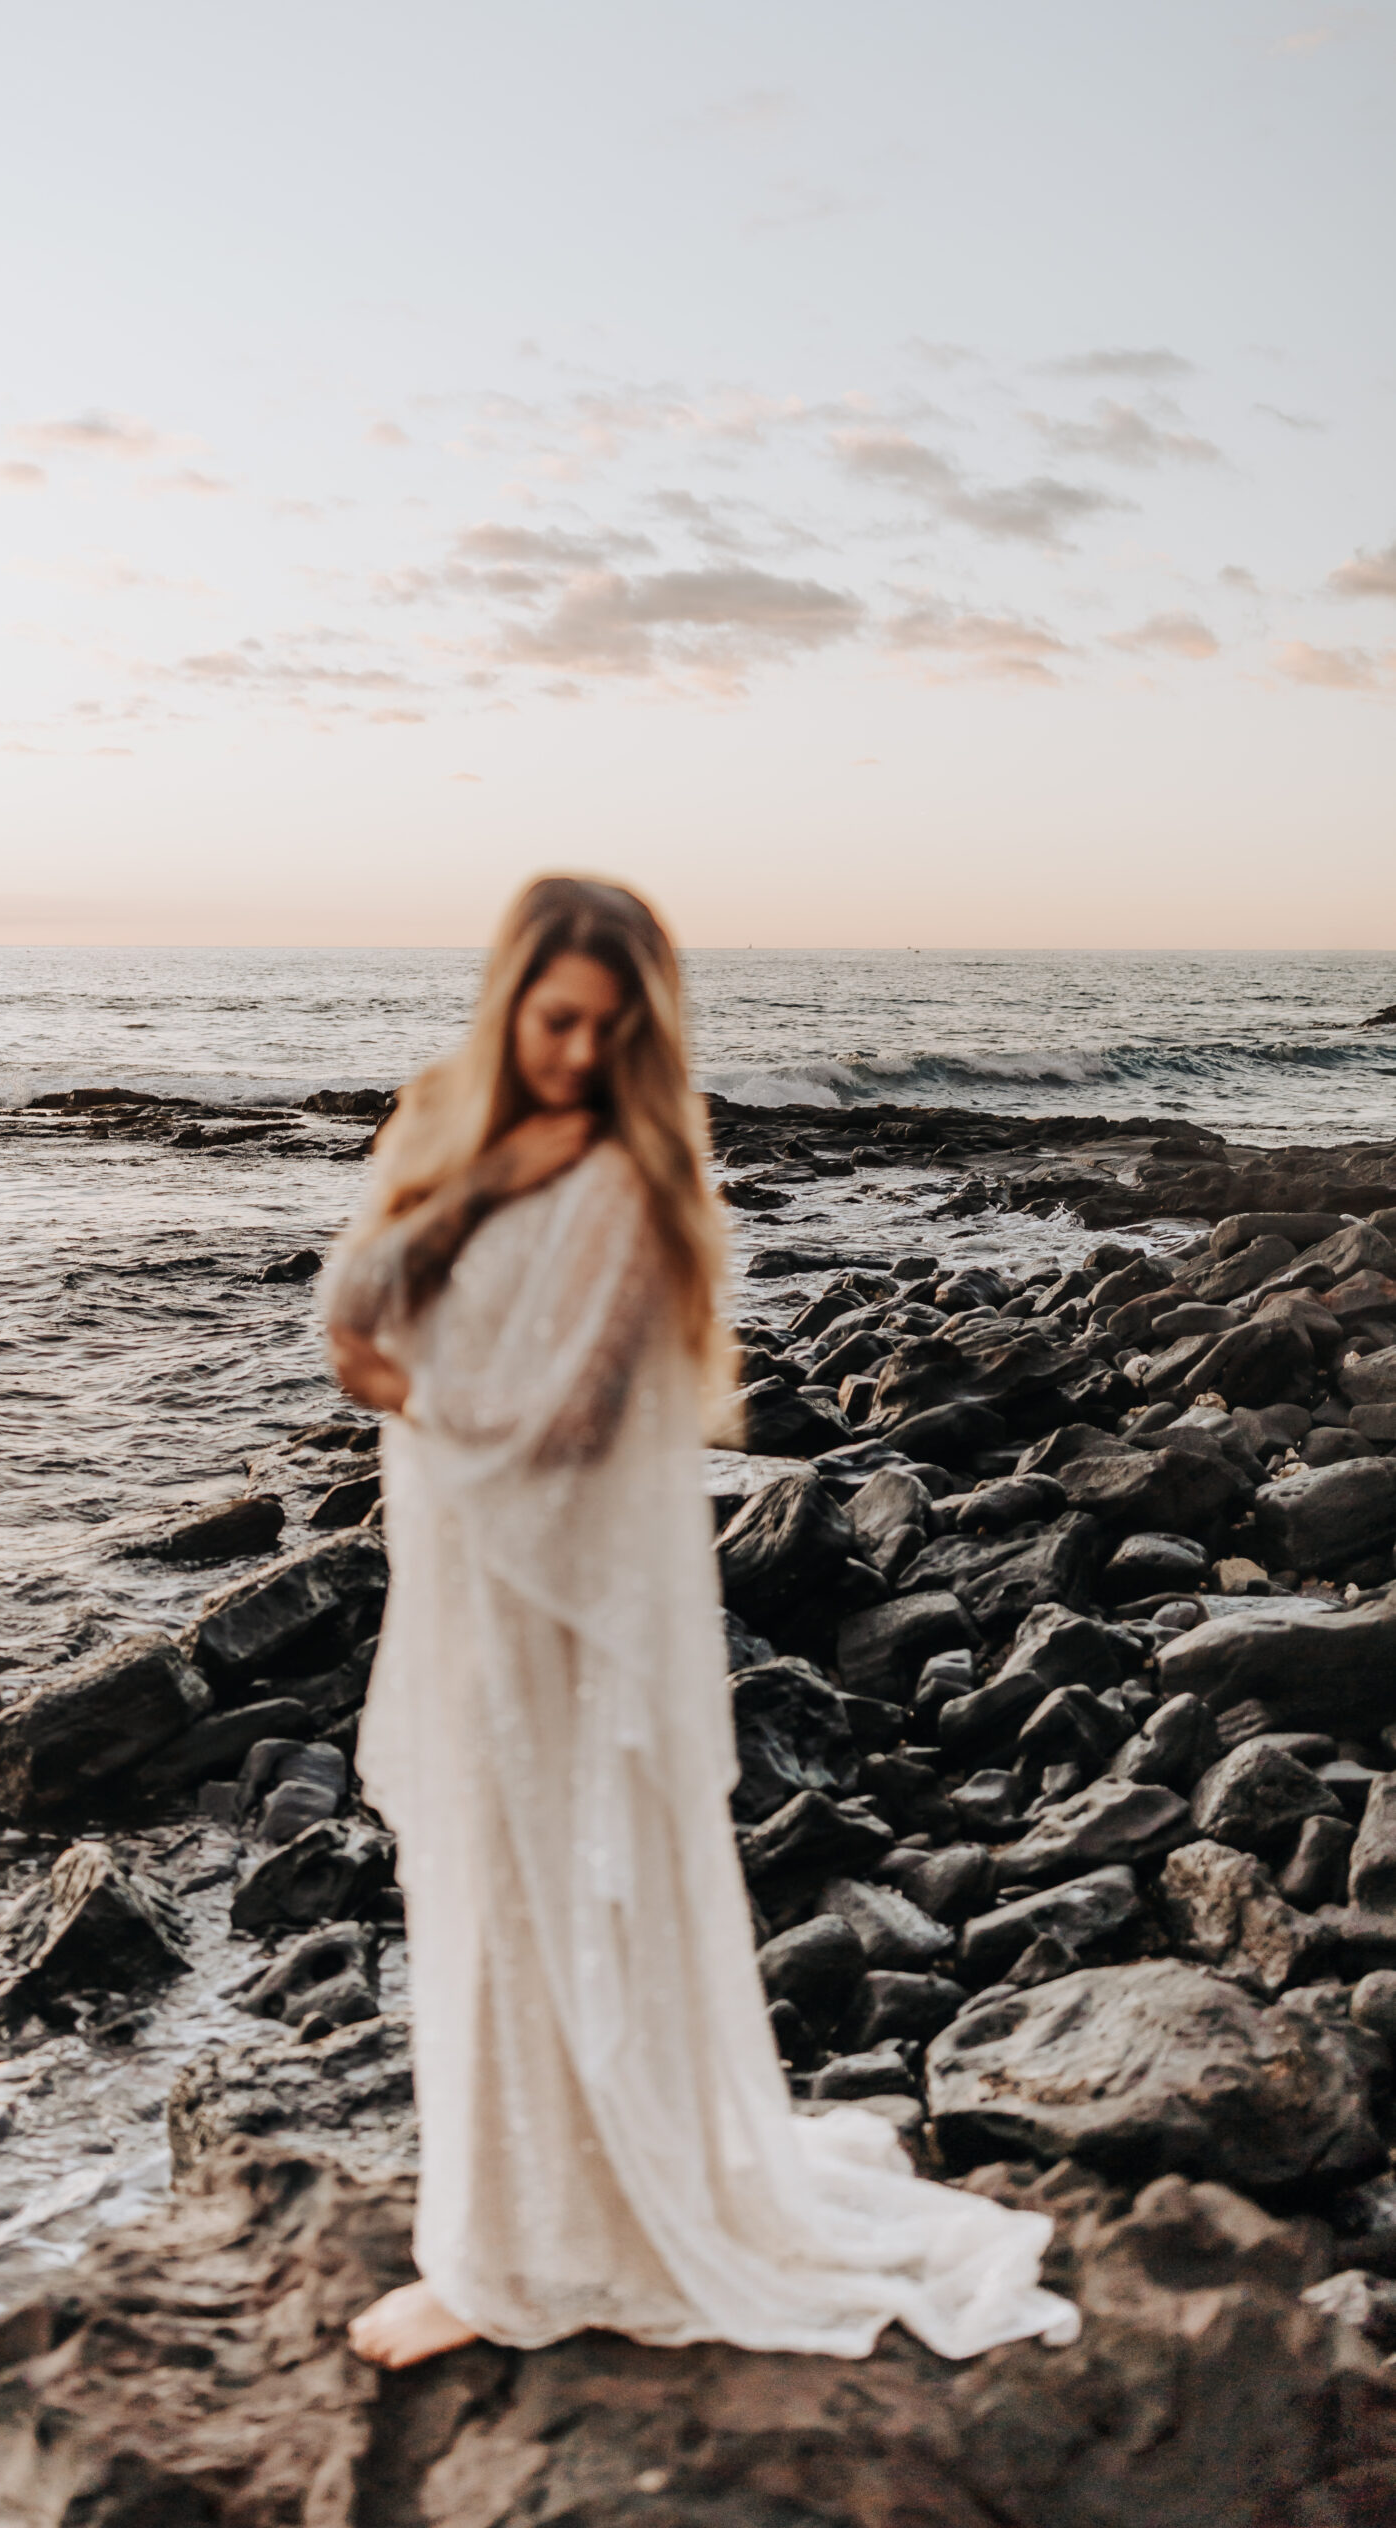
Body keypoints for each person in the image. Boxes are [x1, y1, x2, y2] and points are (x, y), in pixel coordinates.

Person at [320, 875, 1078, 2371]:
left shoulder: (632, 1190)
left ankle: (548, 2255)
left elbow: (569, 1423)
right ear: (508, 1001)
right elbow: (348, 1312)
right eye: (553, 1022)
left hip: (563, 1610)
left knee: (564, 1896)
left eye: (608, 1033)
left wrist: (412, 1380)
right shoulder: (440, 1129)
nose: (575, 1055)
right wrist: (461, 1191)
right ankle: (503, 2230)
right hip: (466, 1587)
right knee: (479, 1896)